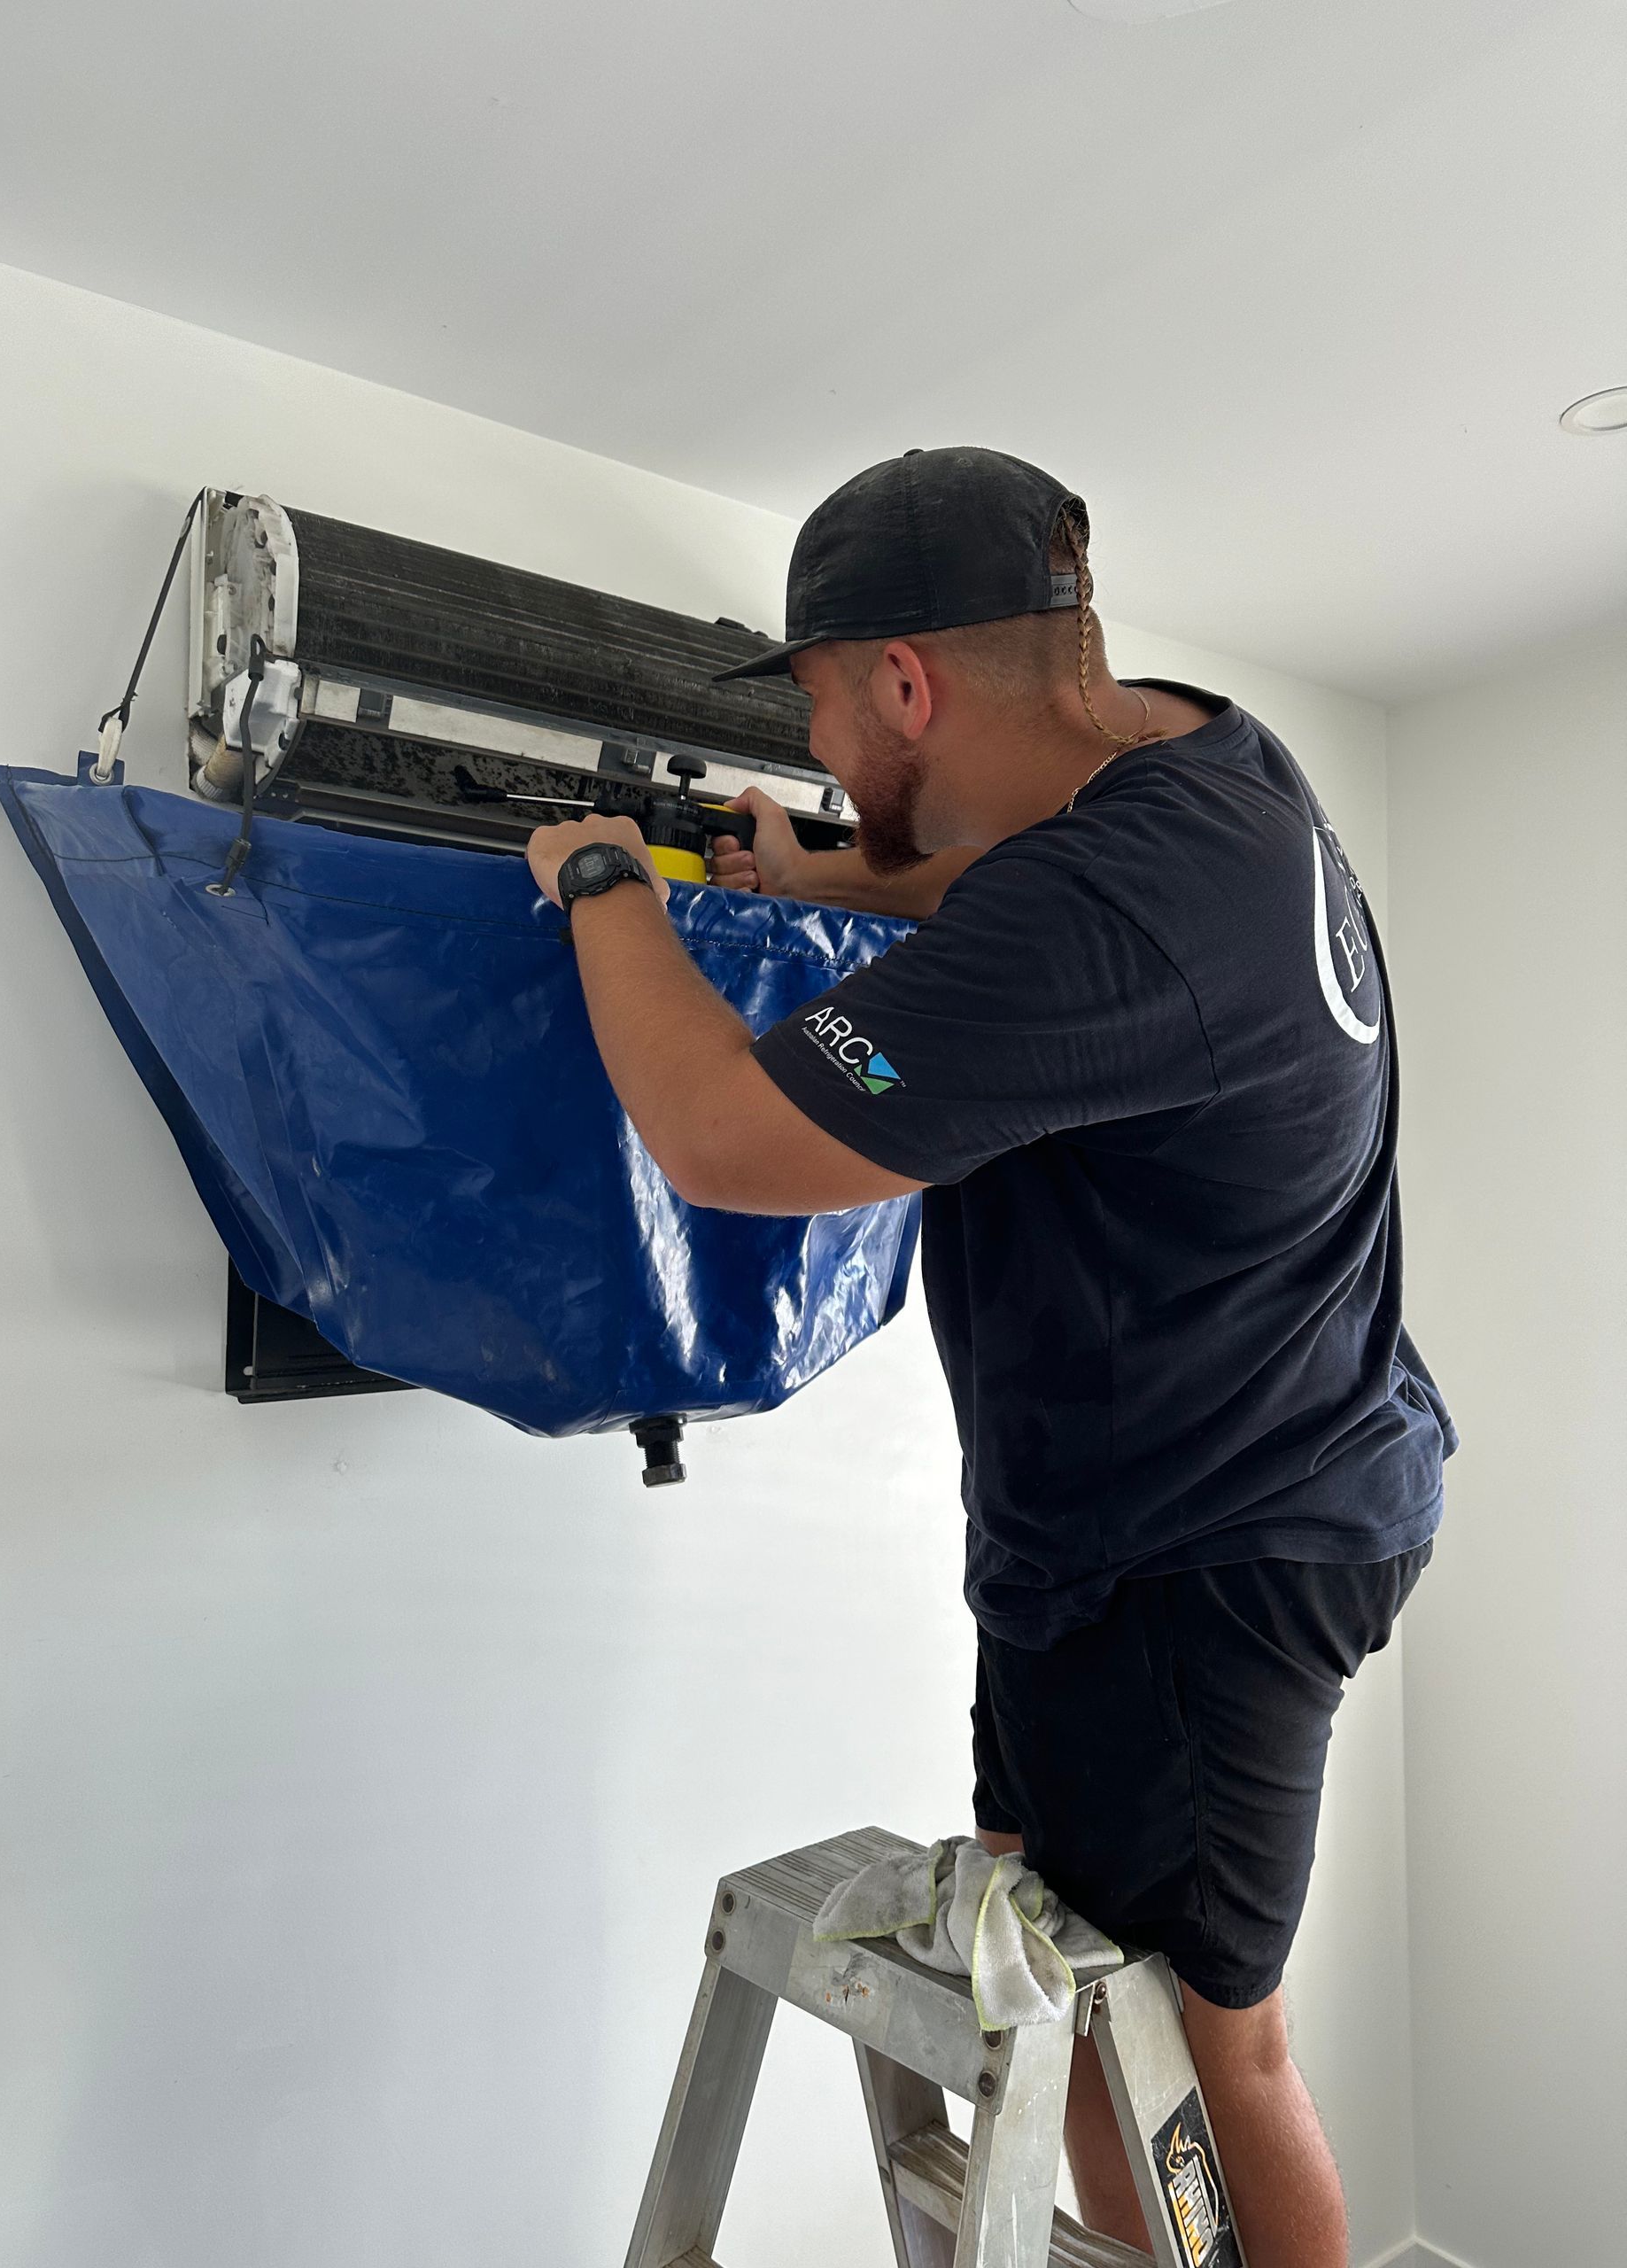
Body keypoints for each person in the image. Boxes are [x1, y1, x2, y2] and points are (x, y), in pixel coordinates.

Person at [524, 447, 1454, 2264]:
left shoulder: (1106, 913)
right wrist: (838, 876)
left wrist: (604, 891)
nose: (819, 748)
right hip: (1230, 1494)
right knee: (1109, 1994)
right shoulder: (1208, 763)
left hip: (1195, 1557)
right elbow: (1012, 904)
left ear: (904, 682)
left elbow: (725, 1136)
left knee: (1196, 2044)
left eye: (814, 703)